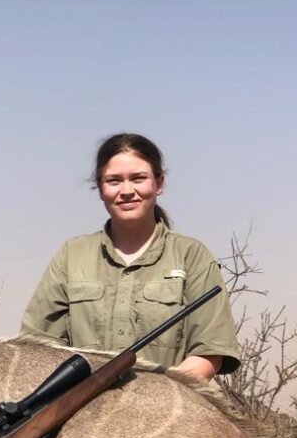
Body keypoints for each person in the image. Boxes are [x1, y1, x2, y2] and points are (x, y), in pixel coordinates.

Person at [21, 133, 240, 381]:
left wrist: (148, 401)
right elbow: (37, 347)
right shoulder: (72, 255)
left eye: (138, 178)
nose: (127, 191)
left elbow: (208, 353)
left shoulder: (192, 255)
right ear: (100, 189)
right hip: (79, 411)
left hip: (164, 411)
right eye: (114, 181)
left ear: (159, 183)